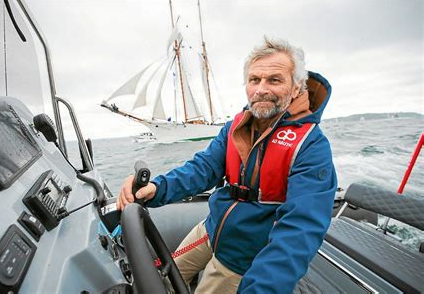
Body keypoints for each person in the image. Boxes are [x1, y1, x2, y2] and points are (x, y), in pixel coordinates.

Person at [117, 37, 337, 293]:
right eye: (254, 80)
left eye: (274, 80)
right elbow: (203, 168)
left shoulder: (311, 146)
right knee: (161, 280)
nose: (261, 89)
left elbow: (300, 229)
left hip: (242, 257)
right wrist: (157, 188)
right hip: (210, 230)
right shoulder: (235, 126)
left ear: (297, 87)